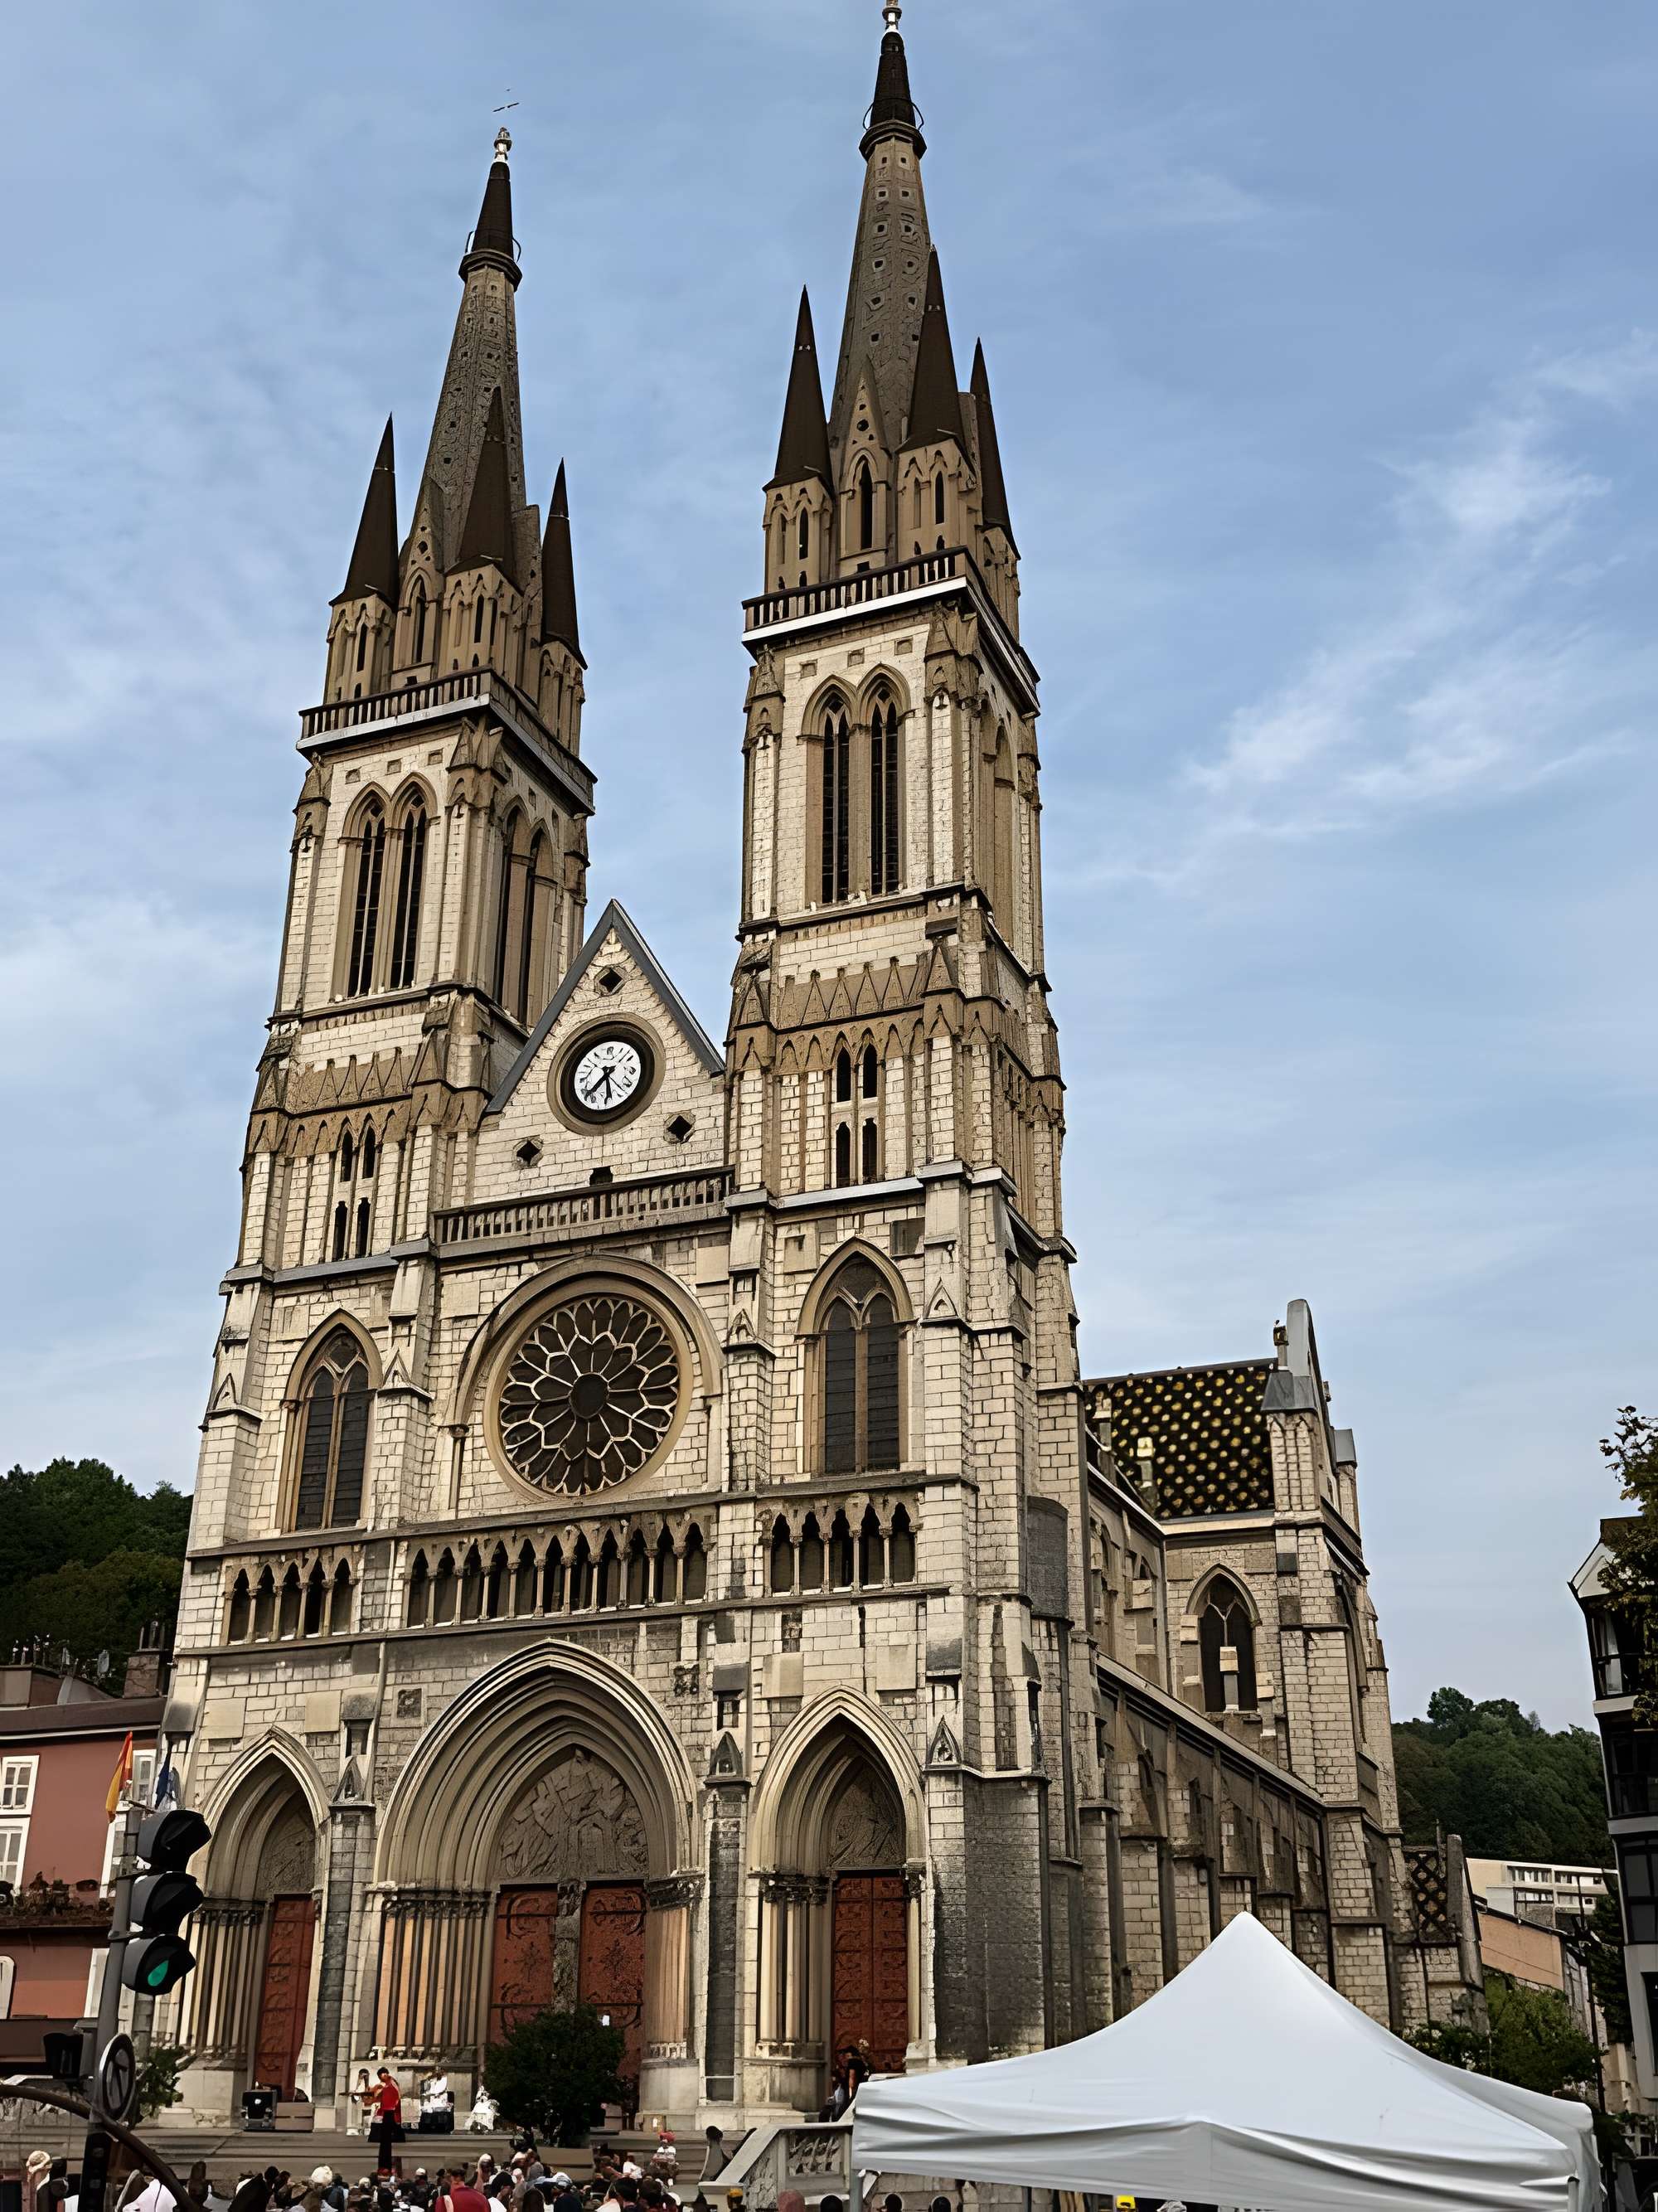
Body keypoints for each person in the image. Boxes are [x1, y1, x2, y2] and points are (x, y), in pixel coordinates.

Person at [369, 2070, 405, 2177]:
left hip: (390, 2112)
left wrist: (394, 2109)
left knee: (386, 2142)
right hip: (387, 2111)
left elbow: (398, 2096)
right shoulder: (386, 2084)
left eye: (382, 2076)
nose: (381, 2078)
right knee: (384, 2143)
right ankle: (383, 2166)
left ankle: (385, 2167)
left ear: (385, 2074)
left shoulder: (392, 2082)